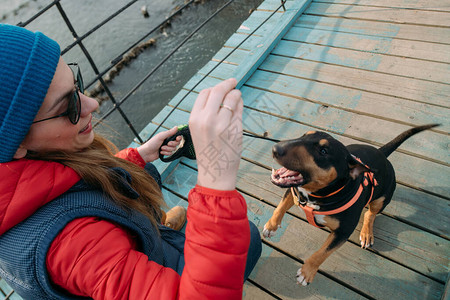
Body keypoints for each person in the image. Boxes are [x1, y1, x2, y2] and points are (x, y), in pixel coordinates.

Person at [0, 24, 261, 299]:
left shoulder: (27, 171)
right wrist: (217, 178)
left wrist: (140, 155)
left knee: (144, 170)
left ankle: (149, 233)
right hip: (154, 276)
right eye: (69, 108)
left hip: (124, 252)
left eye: (77, 85)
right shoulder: (73, 245)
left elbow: (68, 188)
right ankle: (153, 238)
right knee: (248, 237)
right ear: (15, 143)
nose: (91, 104)